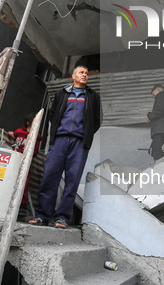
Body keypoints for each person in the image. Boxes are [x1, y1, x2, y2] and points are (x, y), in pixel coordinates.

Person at [29, 66, 102, 228]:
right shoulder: (61, 94)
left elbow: (96, 120)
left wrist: (85, 134)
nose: (84, 75)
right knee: (50, 176)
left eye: (86, 73)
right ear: (73, 76)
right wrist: (57, 131)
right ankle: (42, 215)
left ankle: (62, 217)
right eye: (81, 72)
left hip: (79, 143)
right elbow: (53, 114)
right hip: (59, 141)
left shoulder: (93, 96)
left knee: (72, 180)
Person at [8, 113, 42, 219]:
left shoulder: (35, 137)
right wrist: (10, 134)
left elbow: (35, 152)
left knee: (24, 183)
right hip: (14, 160)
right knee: (10, 180)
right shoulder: (19, 132)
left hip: (26, 162)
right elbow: (13, 134)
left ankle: (21, 207)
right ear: (28, 122)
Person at [146, 84, 164, 161]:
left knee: (155, 153)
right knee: (152, 151)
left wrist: (149, 115)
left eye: (154, 95)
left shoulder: (161, 95)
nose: (154, 97)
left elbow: (160, 110)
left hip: (161, 130)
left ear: (158, 90)